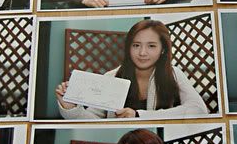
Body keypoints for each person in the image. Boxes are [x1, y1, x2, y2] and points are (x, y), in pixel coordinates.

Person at [56, 19, 208, 119]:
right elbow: (94, 120)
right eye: (136, 45)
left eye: (151, 46)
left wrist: (138, 116)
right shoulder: (112, 76)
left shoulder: (173, 73)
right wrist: (71, 108)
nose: (142, 53)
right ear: (129, 47)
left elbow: (199, 109)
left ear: (163, 49)